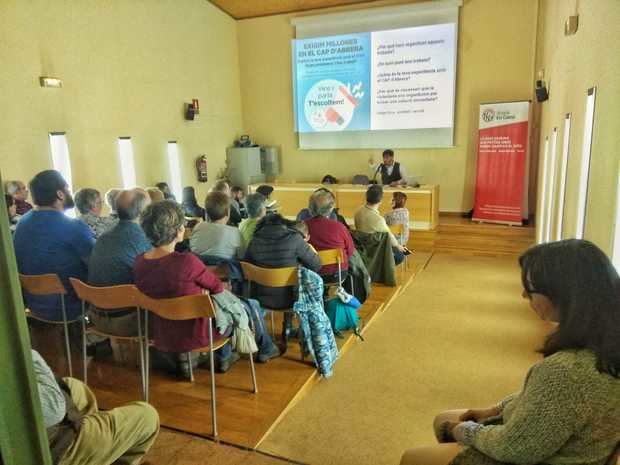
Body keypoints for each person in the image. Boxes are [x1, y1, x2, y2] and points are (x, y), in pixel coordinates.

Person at [400, 240, 620, 465]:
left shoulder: (566, 372)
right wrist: (497, 408)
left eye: (531, 288)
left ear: (563, 293)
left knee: (414, 457)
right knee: (443, 420)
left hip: (547, 456)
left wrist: (465, 431)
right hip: (578, 446)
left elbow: (516, 447)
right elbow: (549, 400)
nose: (525, 295)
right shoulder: (604, 343)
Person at [133, 200, 238, 376]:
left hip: (160, 334)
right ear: (178, 231)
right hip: (198, 335)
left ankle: (186, 360)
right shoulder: (187, 262)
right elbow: (217, 287)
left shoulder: (139, 263)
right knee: (231, 309)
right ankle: (222, 357)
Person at [32, 349, 159, 465]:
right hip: (49, 448)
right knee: (147, 416)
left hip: (45, 428)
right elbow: (53, 410)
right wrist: (29, 354)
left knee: (76, 387)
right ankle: (89, 447)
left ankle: (96, 453)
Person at [13, 170, 95, 321]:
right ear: (60, 194)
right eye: (67, 188)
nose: (69, 192)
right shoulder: (74, 226)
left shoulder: (22, 224)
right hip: (71, 306)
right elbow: (97, 264)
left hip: (34, 306)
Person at [245, 213, 321, 352]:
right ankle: (304, 340)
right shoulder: (295, 239)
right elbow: (316, 265)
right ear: (284, 224)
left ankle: (273, 337)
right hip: (292, 299)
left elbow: (246, 268)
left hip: (260, 299)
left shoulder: (254, 241)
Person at [88, 189, 152, 336]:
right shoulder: (144, 238)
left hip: (95, 317)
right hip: (127, 321)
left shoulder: (103, 237)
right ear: (144, 212)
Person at [305, 189, 355, 282]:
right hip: (338, 273)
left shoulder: (303, 227)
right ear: (331, 208)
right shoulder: (339, 227)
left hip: (312, 275)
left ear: (310, 207)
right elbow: (350, 251)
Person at [354, 185, 407, 266]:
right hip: (374, 250)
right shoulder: (378, 220)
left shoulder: (358, 211)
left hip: (361, 248)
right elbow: (390, 237)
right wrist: (399, 246)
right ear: (381, 200)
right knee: (400, 256)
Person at [190, 191, 244, 261]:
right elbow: (242, 256)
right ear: (228, 212)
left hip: (198, 269)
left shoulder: (197, 227)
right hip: (226, 270)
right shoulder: (235, 232)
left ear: (207, 212)